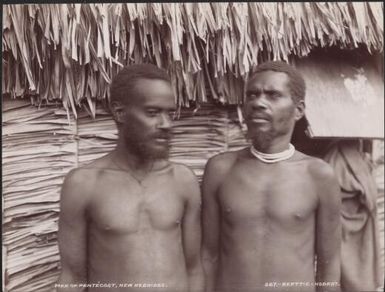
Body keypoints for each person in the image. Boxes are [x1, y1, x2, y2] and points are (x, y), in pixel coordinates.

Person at [57, 64, 203, 292]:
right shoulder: (84, 184)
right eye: (153, 113)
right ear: (120, 113)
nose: (166, 124)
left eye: (170, 113)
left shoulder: (183, 181)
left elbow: (194, 268)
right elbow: (73, 279)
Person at [201, 61, 341, 292]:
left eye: (273, 95)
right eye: (252, 95)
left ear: (299, 110)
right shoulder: (220, 169)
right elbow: (208, 255)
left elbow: (329, 264)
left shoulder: (319, 175)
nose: (258, 102)